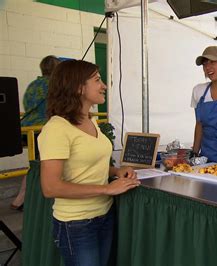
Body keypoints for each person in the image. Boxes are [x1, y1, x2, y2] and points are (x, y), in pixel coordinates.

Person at [38, 59, 141, 266]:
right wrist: (107, 189)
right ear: (78, 87)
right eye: (97, 80)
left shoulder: (90, 120)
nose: (103, 85)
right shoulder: (56, 128)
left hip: (104, 215)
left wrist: (117, 171)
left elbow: (86, 164)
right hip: (77, 224)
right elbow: (50, 187)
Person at [11, 55, 61, 211]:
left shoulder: (33, 85)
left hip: (27, 128)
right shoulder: (54, 85)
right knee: (41, 165)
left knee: (37, 163)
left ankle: (23, 198)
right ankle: (22, 198)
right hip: (44, 129)